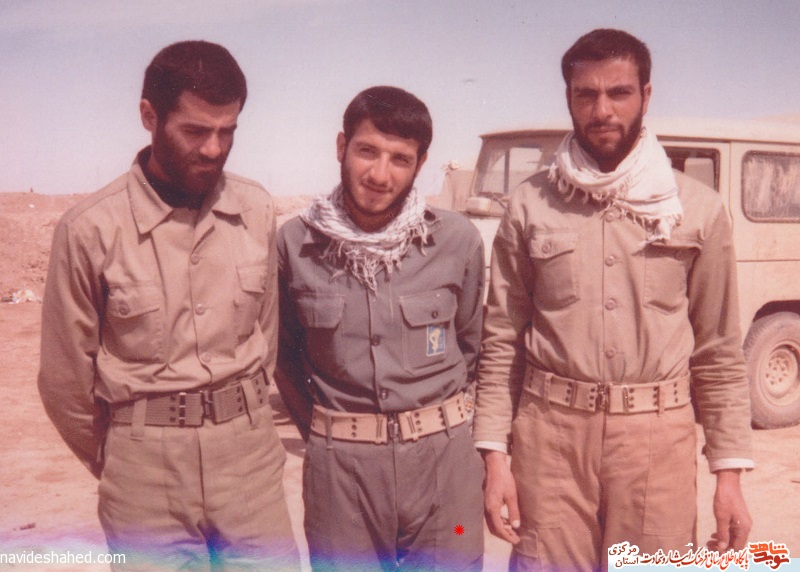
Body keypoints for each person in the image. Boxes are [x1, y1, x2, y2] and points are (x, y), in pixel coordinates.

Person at [473, 28, 754, 571]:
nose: (602, 110)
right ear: (569, 98)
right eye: (586, 94)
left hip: (657, 446)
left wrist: (729, 475)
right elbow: (502, 338)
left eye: (619, 93)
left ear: (646, 95)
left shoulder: (697, 209)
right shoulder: (529, 205)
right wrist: (495, 458)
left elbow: (719, 351)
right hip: (550, 443)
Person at [38, 40, 299, 570]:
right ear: (149, 117)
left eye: (228, 131)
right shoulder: (90, 229)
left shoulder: (255, 210)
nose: (214, 149)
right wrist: (125, 461)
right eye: (195, 131)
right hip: (144, 480)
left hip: (249, 466)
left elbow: (266, 336)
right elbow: (65, 380)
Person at [275, 85, 485, 571]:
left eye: (400, 159)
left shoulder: (456, 240)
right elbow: (284, 359)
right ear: (341, 147)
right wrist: (333, 436)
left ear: (420, 163)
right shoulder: (295, 244)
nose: (379, 174)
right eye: (367, 151)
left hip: (445, 472)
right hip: (341, 478)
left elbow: (473, 346)